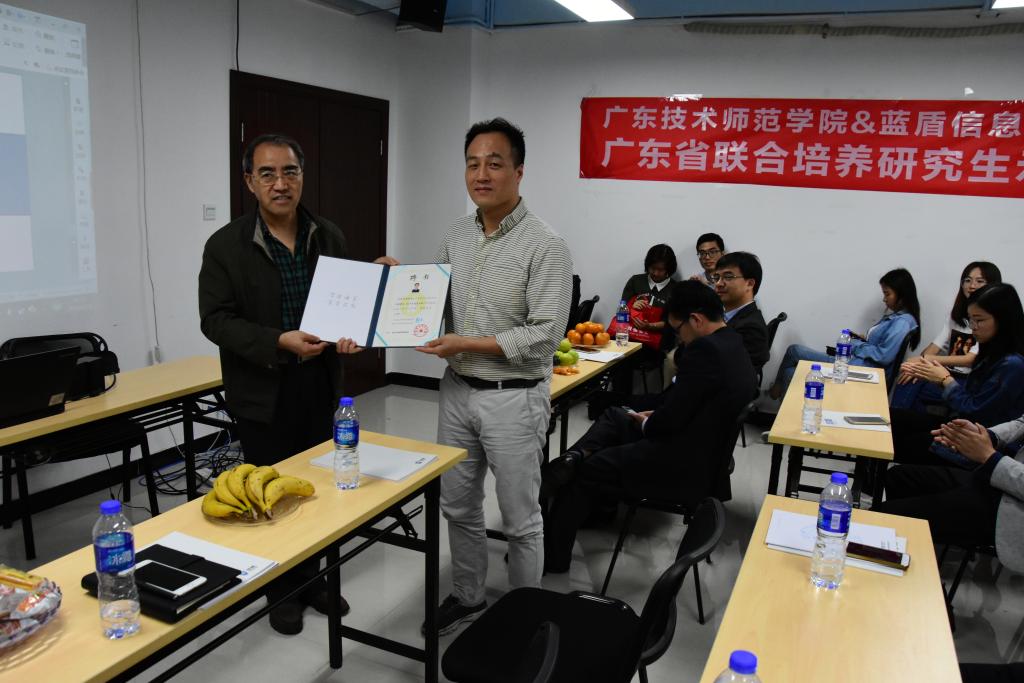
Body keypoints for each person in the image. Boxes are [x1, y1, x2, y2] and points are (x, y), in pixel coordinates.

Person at [198, 133, 394, 635]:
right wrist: (277, 341)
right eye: (267, 173)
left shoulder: (327, 235)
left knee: (322, 489)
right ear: (249, 181)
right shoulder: (225, 246)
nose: (280, 183)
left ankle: (318, 579)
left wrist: (374, 294)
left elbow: (344, 303)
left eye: (290, 172)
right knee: (269, 494)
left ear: (302, 177)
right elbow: (215, 320)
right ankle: (281, 590)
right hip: (262, 390)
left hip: (320, 385)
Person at [416, 118, 572, 635]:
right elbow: (434, 303)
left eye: (494, 164)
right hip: (457, 392)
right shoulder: (456, 235)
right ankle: (468, 596)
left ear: (519, 171)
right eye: (472, 164)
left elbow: (545, 334)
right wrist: (398, 287)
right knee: (458, 505)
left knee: (520, 518)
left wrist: (466, 343)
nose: (481, 174)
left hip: (514, 398)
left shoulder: (545, 244)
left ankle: (523, 620)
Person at [543, 281, 755, 573]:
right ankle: (573, 459)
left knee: (588, 469)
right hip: (701, 446)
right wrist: (655, 416)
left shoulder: (705, 351)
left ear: (695, 320)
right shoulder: (731, 342)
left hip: (680, 461)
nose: (679, 338)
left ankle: (552, 557)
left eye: (677, 330)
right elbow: (690, 403)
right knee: (617, 415)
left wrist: (650, 422)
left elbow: (668, 421)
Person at [890, 283, 1024, 466]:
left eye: (979, 320)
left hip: (977, 445)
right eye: (971, 320)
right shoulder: (991, 351)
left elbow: (974, 412)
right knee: (892, 419)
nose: (973, 327)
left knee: (900, 442)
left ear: (1003, 320)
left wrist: (945, 380)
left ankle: (873, 475)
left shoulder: (1013, 364)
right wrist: (934, 377)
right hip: (961, 426)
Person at [877, 414, 1024, 577]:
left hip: (1013, 512)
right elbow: (1021, 423)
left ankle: (897, 570)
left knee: (888, 515)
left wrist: (989, 456)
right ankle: (896, 561)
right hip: (1001, 481)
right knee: (899, 477)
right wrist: (985, 436)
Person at [768, 268, 921, 399]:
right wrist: (863, 339)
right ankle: (779, 396)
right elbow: (882, 346)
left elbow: (884, 356)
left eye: (887, 294)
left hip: (856, 368)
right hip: (855, 363)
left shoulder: (902, 322)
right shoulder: (899, 318)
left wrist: (856, 345)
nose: (884, 299)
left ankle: (776, 392)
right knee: (790, 371)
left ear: (902, 294)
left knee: (794, 351)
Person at [892, 262, 1001, 412]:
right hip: (948, 373)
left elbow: (971, 359)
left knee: (912, 385)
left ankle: (897, 422)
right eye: (967, 280)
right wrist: (920, 366)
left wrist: (926, 360)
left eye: (980, 281)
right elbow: (937, 345)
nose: (972, 286)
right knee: (909, 378)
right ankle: (906, 423)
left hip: (973, 381)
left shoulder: (993, 318)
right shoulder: (956, 313)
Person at [609, 244, 679, 393]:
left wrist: (649, 326)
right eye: (652, 268)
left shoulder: (675, 289)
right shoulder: (636, 281)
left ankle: (621, 400)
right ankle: (612, 398)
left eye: (661, 269)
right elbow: (622, 310)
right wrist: (632, 306)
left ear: (669, 269)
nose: (655, 273)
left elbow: (672, 323)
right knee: (612, 348)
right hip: (628, 334)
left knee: (624, 357)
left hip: (653, 343)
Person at [712, 251, 770, 372]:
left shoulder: (751, 328)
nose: (718, 284)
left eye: (728, 277)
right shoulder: (721, 315)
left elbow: (735, 374)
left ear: (750, 284)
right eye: (716, 277)